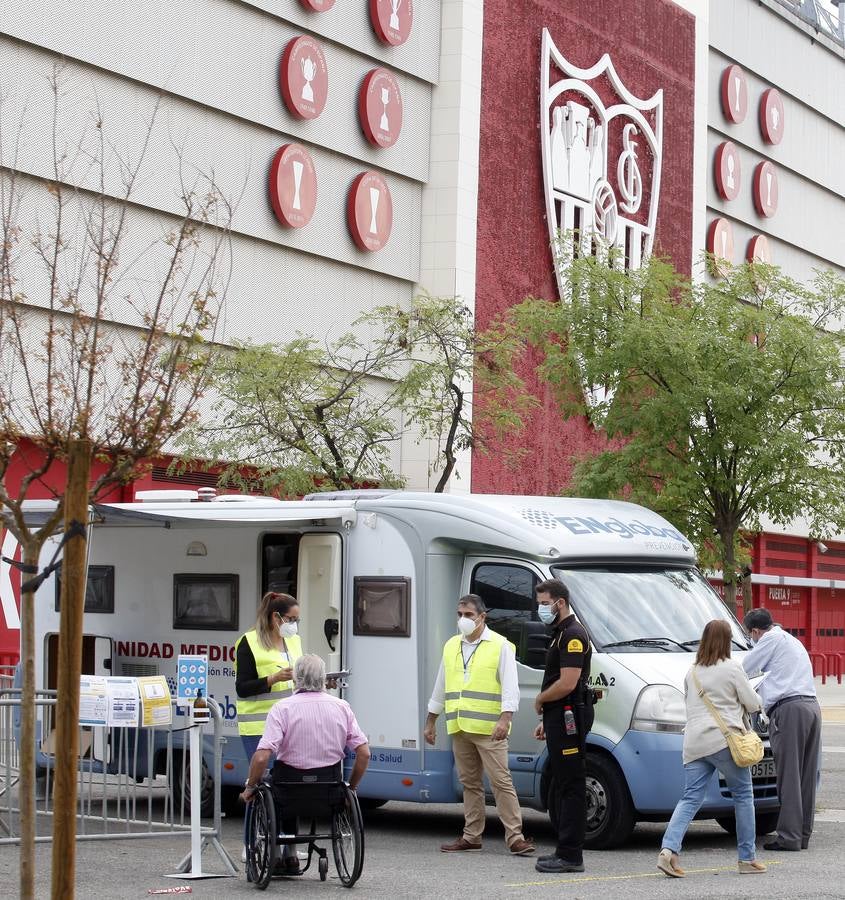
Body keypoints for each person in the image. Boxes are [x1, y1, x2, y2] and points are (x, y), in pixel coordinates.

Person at [424, 594, 535, 856]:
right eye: (459, 614)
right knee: (469, 783)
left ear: (482, 617)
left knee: (501, 781)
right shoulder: (451, 645)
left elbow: (510, 687)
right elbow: (441, 684)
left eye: (469, 615)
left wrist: (505, 718)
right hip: (460, 726)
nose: (463, 619)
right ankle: (471, 835)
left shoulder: (500, 645)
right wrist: (431, 720)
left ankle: (515, 837)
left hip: (489, 729)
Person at [240, 655, 371, 875]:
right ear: (323, 679)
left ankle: (285, 854)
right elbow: (364, 753)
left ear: (295, 679)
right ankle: (291, 856)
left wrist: (251, 787)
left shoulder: (282, 709)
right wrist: (353, 788)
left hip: (287, 791)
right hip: (328, 790)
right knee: (291, 785)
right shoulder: (341, 707)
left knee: (271, 786)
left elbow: (262, 758)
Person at [657, 619, 766, 878]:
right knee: (743, 795)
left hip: (694, 743)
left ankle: (668, 850)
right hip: (723, 740)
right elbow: (752, 703)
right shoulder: (731, 668)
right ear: (726, 641)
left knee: (690, 798)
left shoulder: (691, 672)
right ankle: (747, 858)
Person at [742, 607, 821, 852]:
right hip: (811, 706)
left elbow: (745, 667)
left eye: (751, 635)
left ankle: (788, 837)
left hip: (789, 710)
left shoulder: (768, 639)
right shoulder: (790, 640)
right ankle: (802, 834)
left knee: (788, 776)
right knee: (805, 775)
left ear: (755, 631)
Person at [235, 592, 303, 863]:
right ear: (275, 617)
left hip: (291, 725)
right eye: (291, 619)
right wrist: (272, 678)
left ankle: (289, 846)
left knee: (290, 783)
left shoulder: (294, 641)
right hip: (258, 726)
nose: (295, 625)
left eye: (298, 620)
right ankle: (250, 842)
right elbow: (242, 687)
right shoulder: (248, 642)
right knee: (259, 783)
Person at [532, 578, 593, 874]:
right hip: (561, 717)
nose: (541, 609)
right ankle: (564, 850)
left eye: (545, 604)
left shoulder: (572, 635)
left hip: (569, 715)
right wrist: (548, 720)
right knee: (563, 783)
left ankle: (570, 855)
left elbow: (567, 683)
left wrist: (541, 700)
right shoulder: (559, 633)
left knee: (571, 785)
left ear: (560, 602)